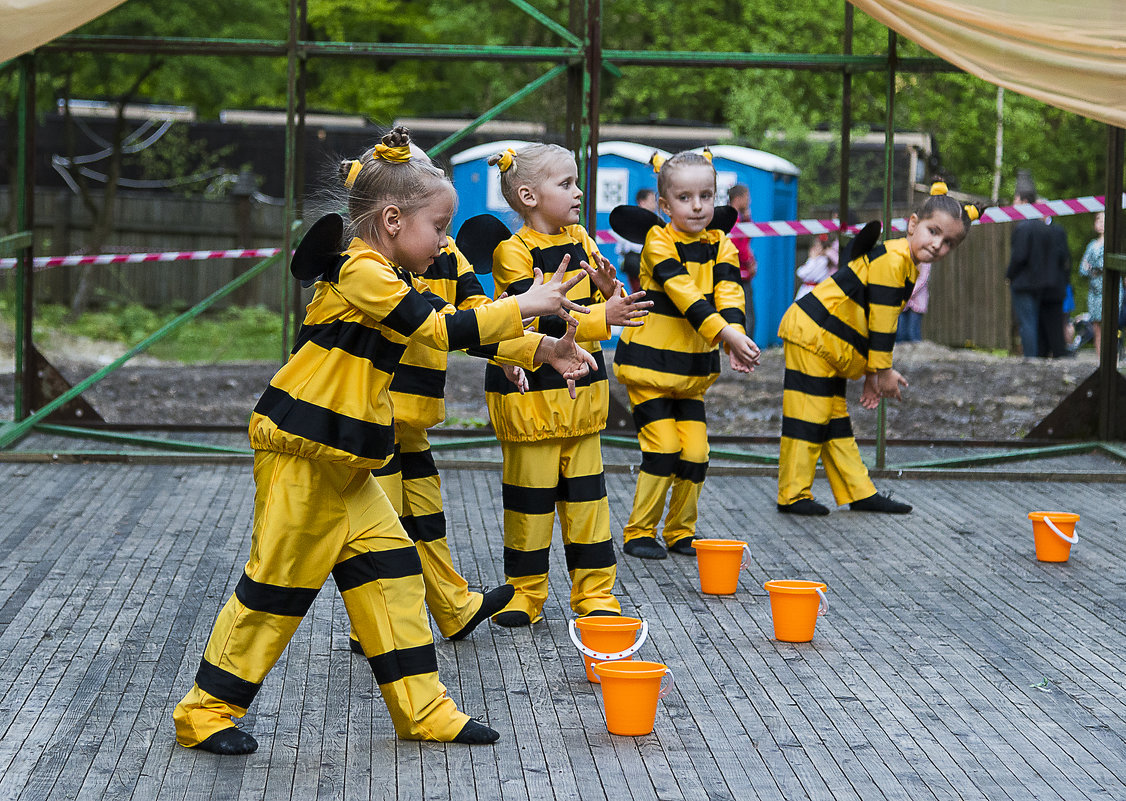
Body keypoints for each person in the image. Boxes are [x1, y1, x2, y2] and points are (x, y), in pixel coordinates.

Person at [172, 127, 599, 754]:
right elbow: (434, 328)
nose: (448, 240)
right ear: (393, 220)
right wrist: (529, 304)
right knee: (277, 588)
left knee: (395, 575)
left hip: (343, 460)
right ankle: (203, 713)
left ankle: (424, 712)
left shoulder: (394, 270)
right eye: (440, 225)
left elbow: (465, 327)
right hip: (303, 449)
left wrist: (544, 346)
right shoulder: (358, 270)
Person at [484, 143, 652, 627]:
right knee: (528, 504)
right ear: (528, 195)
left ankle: (595, 593)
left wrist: (607, 288)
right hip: (532, 399)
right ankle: (525, 593)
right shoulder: (511, 254)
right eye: (566, 184)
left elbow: (606, 297)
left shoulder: (582, 237)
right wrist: (606, 316)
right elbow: (538, 320)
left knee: (588, 504)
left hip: (582, 400)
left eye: (577, 182)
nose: (579, 193)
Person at [776, 182, 984, 516]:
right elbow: (883, 324)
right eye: (933, 232)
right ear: (912, 224)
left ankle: (858, 491)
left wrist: (874, 372)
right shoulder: (893, 260)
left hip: (828, 344)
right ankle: (792, 494)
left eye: (948, 243)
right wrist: (881, 371)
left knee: (834, 419)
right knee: (809, 416)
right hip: (813, 336)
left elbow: (874, 320)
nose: (937, 245)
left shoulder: (904, 264)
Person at [612, 150, 760, 559]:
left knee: (696, 453)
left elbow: (730, 292)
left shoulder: (722, 243)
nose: (697, 206)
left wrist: (737, 337)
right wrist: (726, 334)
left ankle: (680, 531)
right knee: (662, 448)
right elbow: (684, 294)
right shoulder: (658, 241)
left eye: (706, 196)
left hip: (692, 373)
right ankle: (639, 531)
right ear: (664, 205)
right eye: (685, 197)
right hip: (649, 368)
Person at [1006, 184, 1070, 357]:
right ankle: (1037, 355)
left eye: (1016, 200)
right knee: (1034, 322)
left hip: (1027, 283)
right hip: (1041, 283)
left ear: (1025, 201)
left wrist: (1009, 275)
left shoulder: (1025, 227)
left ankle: (1032, 357)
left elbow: (1019, 257)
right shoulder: (1045, 229)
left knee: (1028, 323)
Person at [727, 183, 757, 333]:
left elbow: (747, 239)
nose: (749, 201)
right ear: (738, 199)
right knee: (746, 315)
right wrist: (750, 262)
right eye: (747, 197)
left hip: (739, 274)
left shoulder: (740, 220)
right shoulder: (732, 220)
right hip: (739, 274)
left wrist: (747, 218)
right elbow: (739, 246)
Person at [617, 188, 657, 294]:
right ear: (642, 202)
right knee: (640, 294)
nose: (655, 204)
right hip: (636, 263)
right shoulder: (632, 218)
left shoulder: (653, 219)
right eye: (652, 200)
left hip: (646, 263)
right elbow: (623, 246)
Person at [896, 261, 931, 343]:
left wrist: (908, 292)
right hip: (902, 302)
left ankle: (916, 355)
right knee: (900, 333)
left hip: (917, 302)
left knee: (912, 333)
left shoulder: (925, 261)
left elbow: (923, 279)